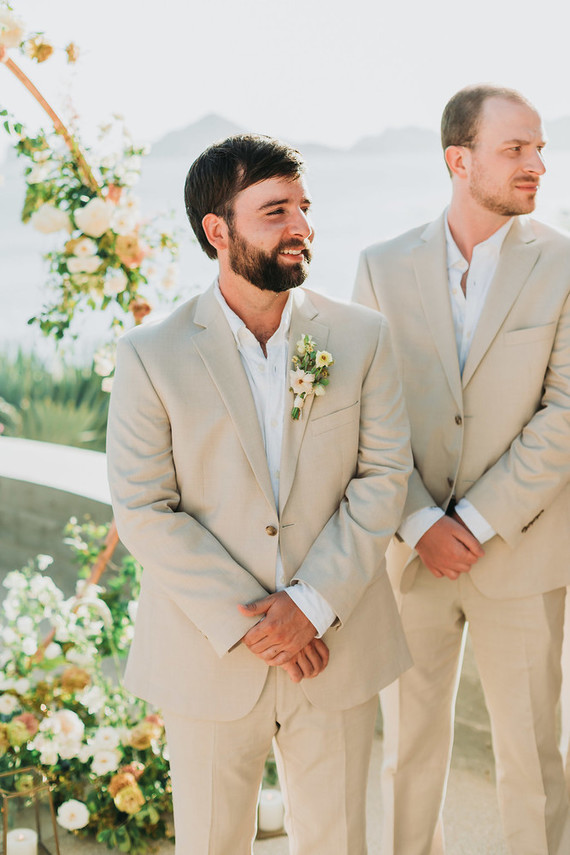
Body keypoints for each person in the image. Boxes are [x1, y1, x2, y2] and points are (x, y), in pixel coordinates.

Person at [107, 133, 413, 855]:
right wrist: (254, 622)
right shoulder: (152, 355)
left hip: (336, 647)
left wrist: (309, 605)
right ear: (218, 231)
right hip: (209, 656)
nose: (301, 225)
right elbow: (145, 505)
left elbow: (383, 478)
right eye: (275, 210)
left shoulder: (362, 337)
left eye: (304, 206)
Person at [353, 84, 570, 855]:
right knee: (407, 757)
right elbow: (366, 415)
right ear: (459, 159)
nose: (537, 164)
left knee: (533, 759)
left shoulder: (564, 264)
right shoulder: (380, 268)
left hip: (524, 549)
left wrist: (472, 522)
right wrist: (419, 523)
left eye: (541, 148)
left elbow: (565, 414)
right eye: (516, 148)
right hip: (409, 560)